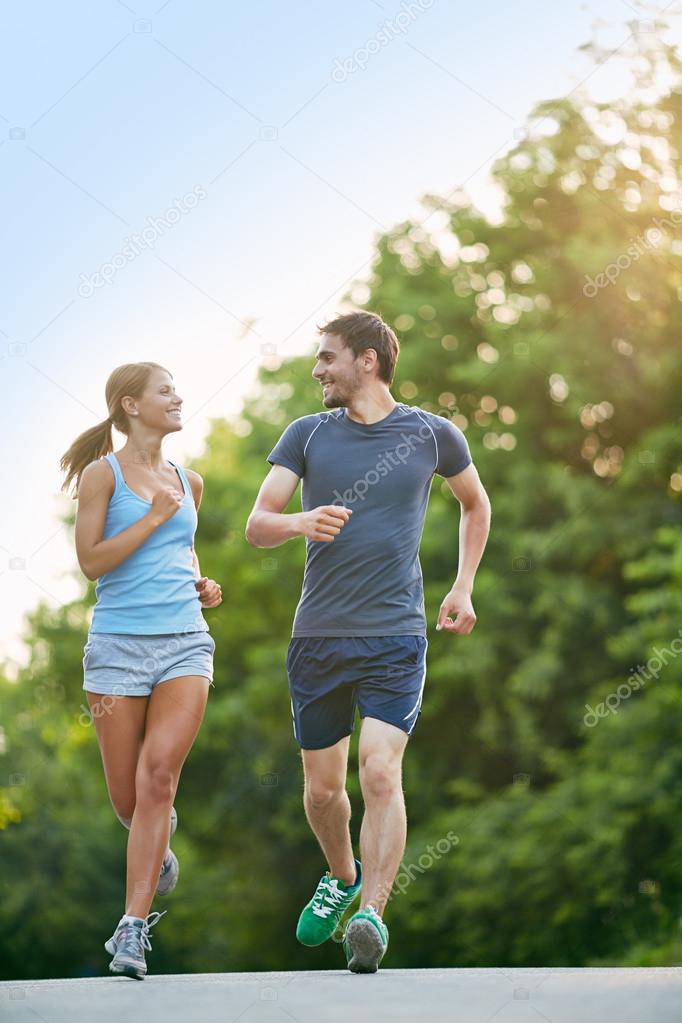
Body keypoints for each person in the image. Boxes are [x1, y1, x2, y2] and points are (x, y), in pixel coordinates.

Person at [245, 311, 491, 973]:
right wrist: (300, 521)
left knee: (380, 770)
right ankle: (343, 874)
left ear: (368, 360)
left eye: (328, 357)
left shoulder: (432, 434)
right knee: (323, 792)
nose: (318, 369)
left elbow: (476, 503)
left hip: (396, 635)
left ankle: (373, 917)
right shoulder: (305, 435)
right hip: (318, 636)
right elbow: (257, 524)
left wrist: (463, 585)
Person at [60, 361, 222, 980]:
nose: (177, 397)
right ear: (131, 405)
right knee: (129, 801)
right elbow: (92, 563)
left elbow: (182, 547)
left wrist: (200, 582)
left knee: (159, 780)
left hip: (185, 643)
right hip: (117, 649)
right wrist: (153, 515)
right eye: (165, 390)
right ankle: (156, 844)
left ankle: (132, 929)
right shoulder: (102, 477)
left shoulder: (191, 480)